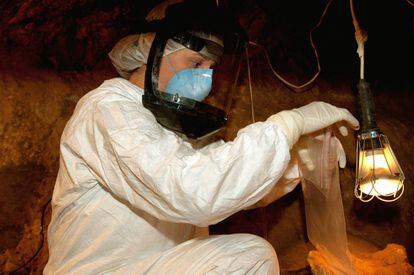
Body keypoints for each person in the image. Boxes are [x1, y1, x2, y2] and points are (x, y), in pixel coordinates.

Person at [44, 2, 359, 274]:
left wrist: (296, 162)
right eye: (195, 63)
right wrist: (289, 124)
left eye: (211, 67)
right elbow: (194, 190)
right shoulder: (108, 110)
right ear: (152, 52)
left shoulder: (171, 123)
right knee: (248, 258)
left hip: (151, 267)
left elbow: (230, 187)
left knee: (245, 258)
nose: (206, 77)